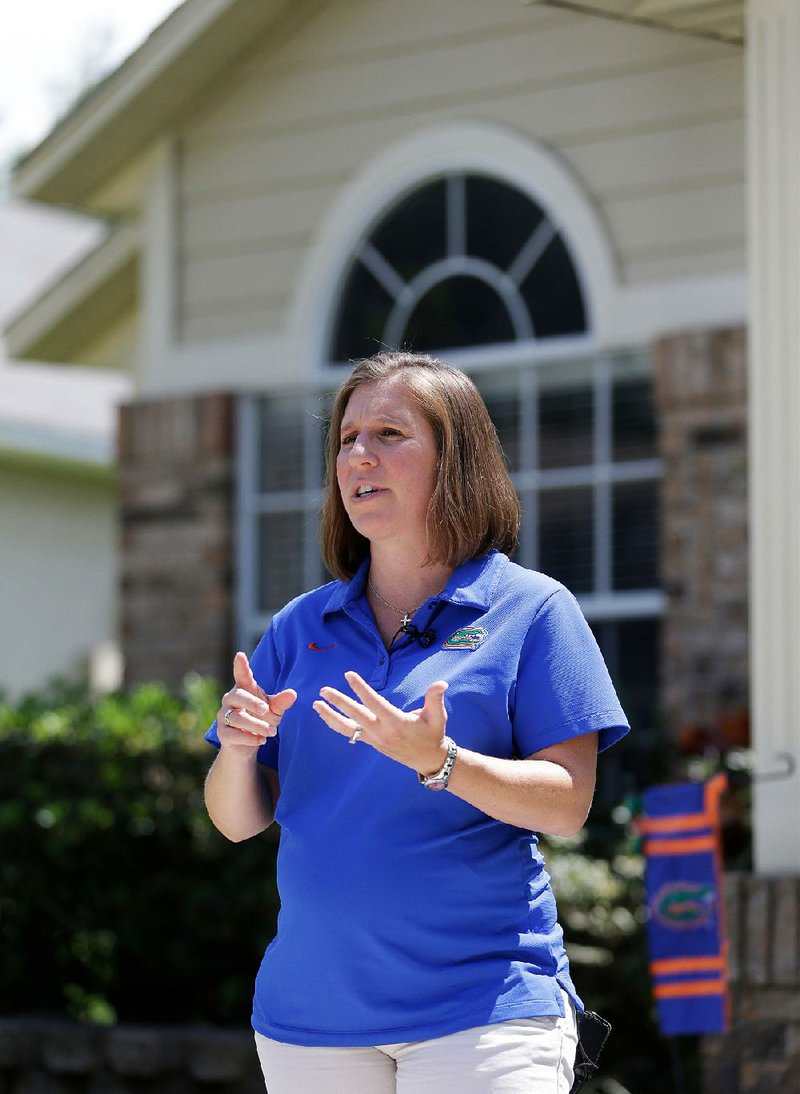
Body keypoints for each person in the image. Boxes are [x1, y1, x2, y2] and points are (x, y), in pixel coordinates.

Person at [204, 350, 629, 1094]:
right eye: (346, 438)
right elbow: (237, 822)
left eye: (389, 434)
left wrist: (441, 760)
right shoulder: (298, 627)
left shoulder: (533, 612)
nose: (357, 455)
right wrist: (236, 751)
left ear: (455, 460)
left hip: (484, 1011)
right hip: (310, 1023)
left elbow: (567, 801)